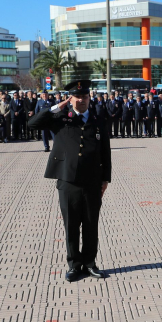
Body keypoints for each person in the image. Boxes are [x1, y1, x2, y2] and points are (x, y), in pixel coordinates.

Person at [28, 80, 111, 282]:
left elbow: (105, 151)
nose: (81, 100)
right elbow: (33, 124)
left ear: (90, 98)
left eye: (85, 97)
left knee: (91, 225)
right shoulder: (60, 118)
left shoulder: (98, 119)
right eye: (77, 97)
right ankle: (74, 265)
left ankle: (90, 264)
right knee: (71, 225)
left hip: (92, 180)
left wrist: (106, 178)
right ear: (70, 98)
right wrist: (57, 107)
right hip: (68, 181)